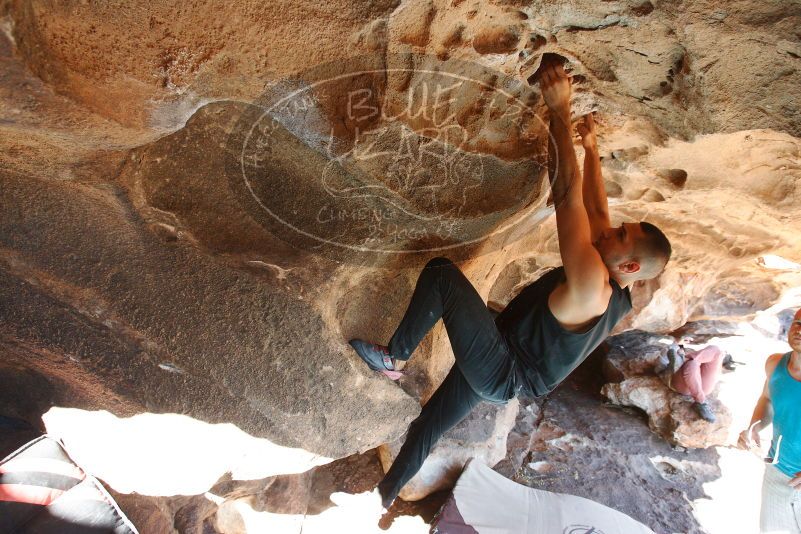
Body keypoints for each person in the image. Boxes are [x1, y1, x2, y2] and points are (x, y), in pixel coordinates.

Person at [348, 61, 672, 510]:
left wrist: (558, 111)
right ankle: (382, 500)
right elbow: (596, 208)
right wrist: (591, 149)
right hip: (502, 362)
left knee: (443, 274)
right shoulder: (617, 285)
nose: (610, 230)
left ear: (631, 266)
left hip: (501, 367)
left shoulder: (592, 284)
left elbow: (567, 197)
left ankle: (394, 356)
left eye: (621, 237)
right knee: (428, 427)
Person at [738, 308, 801, 533]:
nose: (800, 330)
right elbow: (767, 400)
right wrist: (754, 428)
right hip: (777, 474)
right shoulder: (775, 365)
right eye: (798, 323)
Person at [655, 343, 727, 422]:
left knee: (716, 351)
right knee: (692, 364)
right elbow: (659, 368)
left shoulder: (682, 348)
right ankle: (701, 402)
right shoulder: (669, 347)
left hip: (701, 384)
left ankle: (685, 360)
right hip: (680, 383)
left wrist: (684, 356)